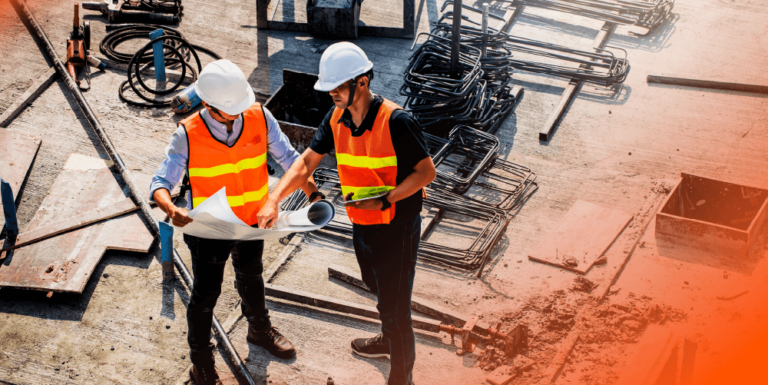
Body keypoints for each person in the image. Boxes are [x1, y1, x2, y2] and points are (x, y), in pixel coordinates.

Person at [257, 42, 436, 385]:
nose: (332, 94)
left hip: (396, 226)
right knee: (376, 286)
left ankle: (402, 377)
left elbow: (426, 174)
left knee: (397, 309)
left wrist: (386, 200)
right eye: (329, 88)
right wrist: (275, 198)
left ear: (362, 83)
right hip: (363, 223)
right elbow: (306, 162)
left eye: (337, 87)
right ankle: (388, 339)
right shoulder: (336, 117)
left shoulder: (397, 121)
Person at [150, 59, 322, 385]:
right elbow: (160, 182)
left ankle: (259, 329)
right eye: (232, 108)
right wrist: (172, 210)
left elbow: (288, 158)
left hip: (251, 222)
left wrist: (313, 193)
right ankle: (201, 361)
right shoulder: (187, 134)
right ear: (210, 104)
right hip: (210, 230)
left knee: (252, 276)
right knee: (205, 295)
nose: (239, 112)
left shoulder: (258, 116)